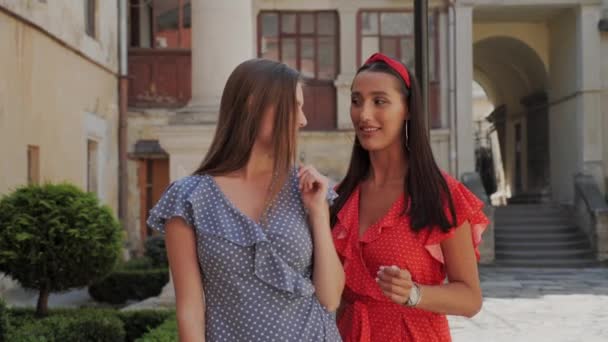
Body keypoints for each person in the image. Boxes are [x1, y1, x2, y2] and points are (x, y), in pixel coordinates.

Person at [147, 59, 344, 341]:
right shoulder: (189, 199)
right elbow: (190, 310)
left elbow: (330, 298)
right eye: (295, 106)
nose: (303, 120)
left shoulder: (307, 188)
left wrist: (319, 213)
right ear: (254, 104)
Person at [330, 53, 488, 341]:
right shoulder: (340, 197)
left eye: (379, 101)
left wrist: (414, 294)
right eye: (356, 101)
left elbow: (470, 298)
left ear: (408, 109)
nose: (363, 114)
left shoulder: (440, 195)